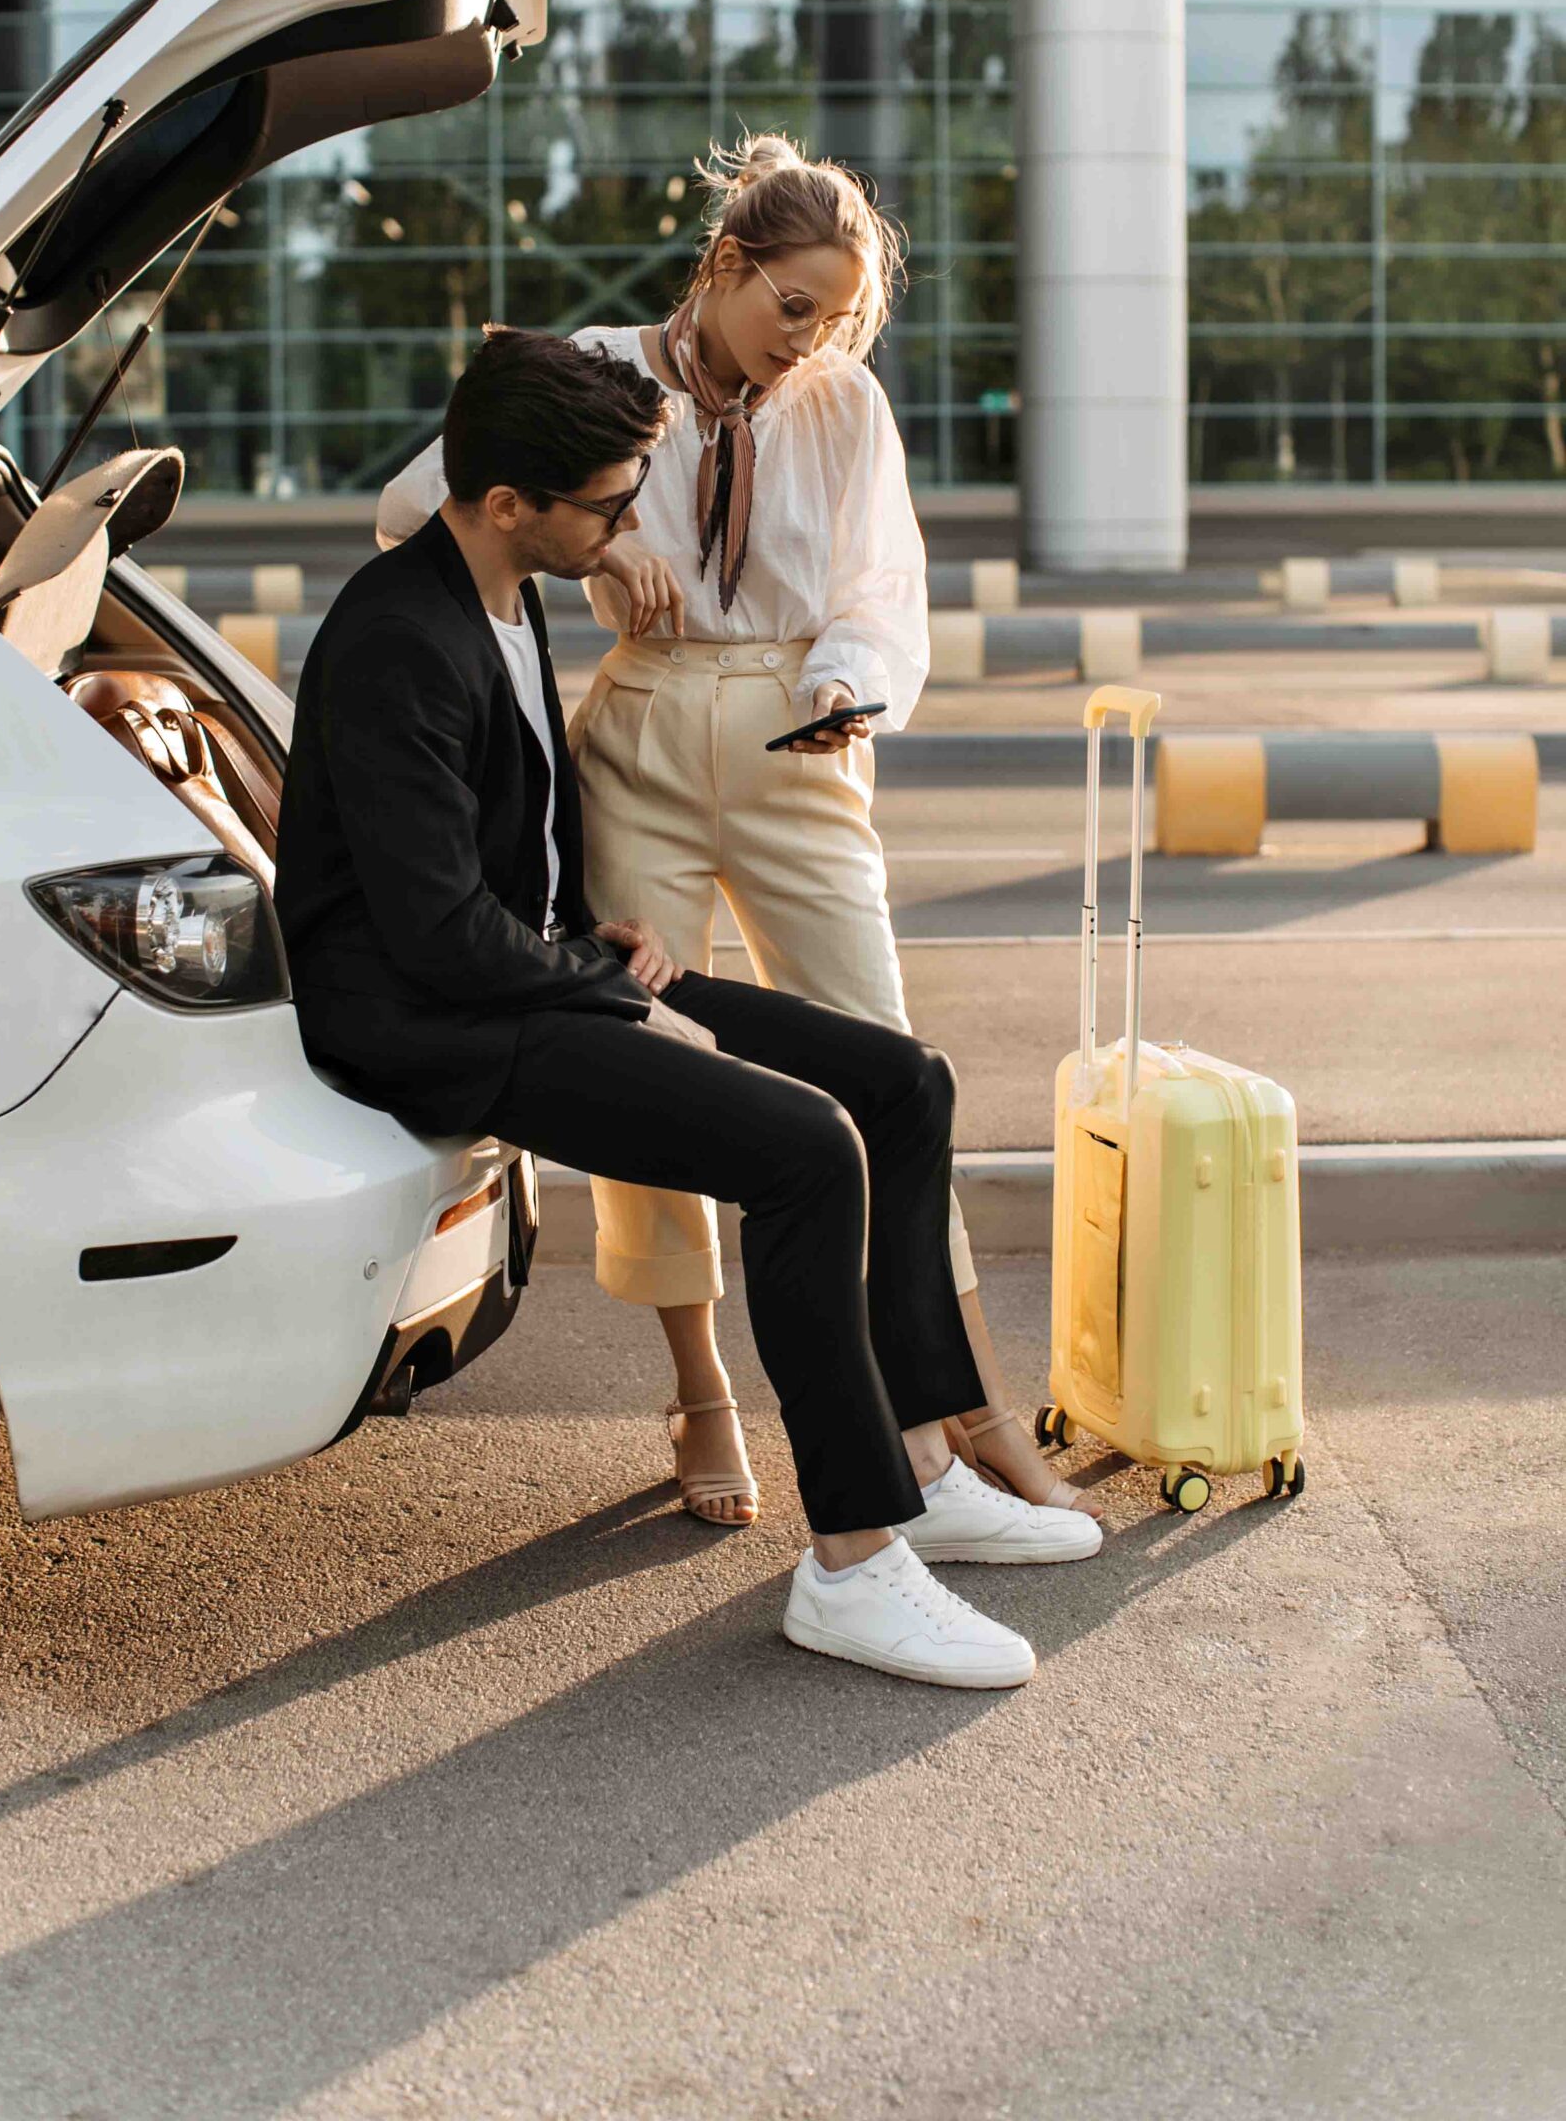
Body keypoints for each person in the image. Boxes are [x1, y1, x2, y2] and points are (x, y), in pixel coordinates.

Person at [278, 327, 1100, 1691]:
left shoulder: (497, 587)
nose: (624, 527)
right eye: (605, 506)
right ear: (505, 507)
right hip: (446, 1027)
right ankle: (852, 1562)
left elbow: (481, 862)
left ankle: (921, 1453)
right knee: (805, 1151)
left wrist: (589, 937)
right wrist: (600, 987)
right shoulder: (397, 639)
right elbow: (428, 939)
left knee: (905, 1085)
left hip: (531, 969)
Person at [378, 134, 1102, 1531]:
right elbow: (418, 509)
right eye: (793, 307)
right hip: (638, 734)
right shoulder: (589, 370)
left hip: (795, 735)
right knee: (652, 1074)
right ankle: (702, 1396)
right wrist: (595, 539)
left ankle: (957, 1404)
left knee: (889, 1064)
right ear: (725, 266)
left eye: (836, 317)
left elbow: (883, 587)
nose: (810, 338)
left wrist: (846, 684)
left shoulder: (843, 406)